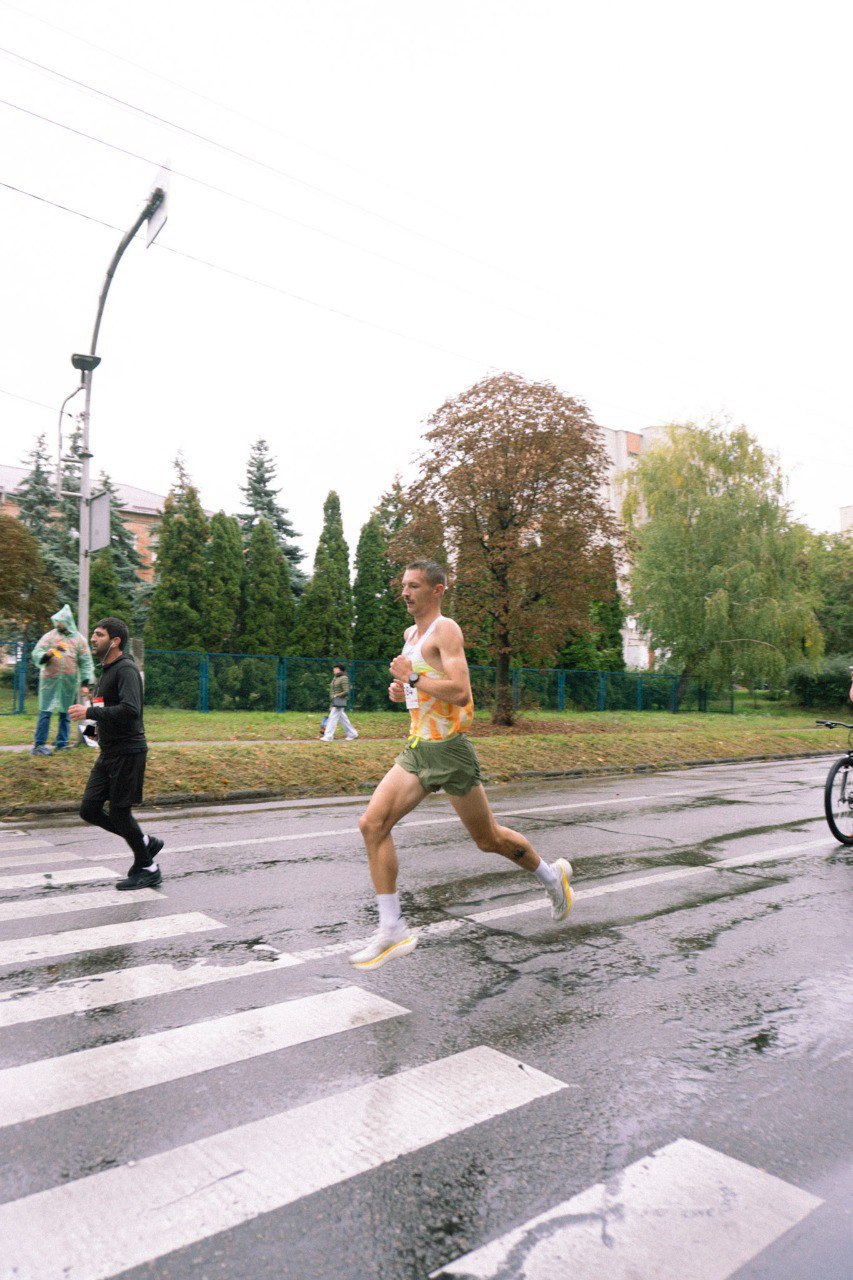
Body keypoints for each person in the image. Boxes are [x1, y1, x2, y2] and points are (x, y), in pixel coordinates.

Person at [350, 559, 573, 970]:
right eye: (404, 585)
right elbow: (424, 688)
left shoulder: (446, 629)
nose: (405, 592)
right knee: (372, 825)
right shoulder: (410, 636)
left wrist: (413, 679)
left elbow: (460, 692)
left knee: (488, 839)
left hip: (450, 751)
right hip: (419, 749)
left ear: (437, 590)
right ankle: (391, 929)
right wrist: (403, 691)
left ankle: (550, 875)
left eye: (414, 585)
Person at [68, 617, 164, 891]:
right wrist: (91, 732)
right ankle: (144, 842)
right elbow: (104, 711)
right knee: (89, 810)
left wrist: (89, 711)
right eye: (94, 633)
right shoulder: (107, 671)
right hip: (109, 752)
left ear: (115, 641)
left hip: (128, 751)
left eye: (99, 634)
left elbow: (131, 710)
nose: (93, 638)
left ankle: (148, 868)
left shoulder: (126, 670)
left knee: (120, 813)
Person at [29, 605, 94, 755]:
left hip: (68, 681)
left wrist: (85, 683)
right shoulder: (50, 637)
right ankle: (39, 745)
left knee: (65, 712)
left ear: (67, 621)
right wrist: (48, 654)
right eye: (57, 621)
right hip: (49, 680)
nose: (57, 624)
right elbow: (36, 653)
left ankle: (62, 743)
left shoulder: (79, 640)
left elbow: (86, 662)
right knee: (45, 711)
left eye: (60, 621)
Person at [322, 662, 359, 741]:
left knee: (332, 718)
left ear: (340, 670)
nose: (334, 670)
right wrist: (332, 704)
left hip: (340, 701)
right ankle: (352, 733)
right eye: (334, 668)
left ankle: (328, 736)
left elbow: (346, 691)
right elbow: (333, 692)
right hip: (335, 701)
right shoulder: (335, 678)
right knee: (343, 719)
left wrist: (337, 696)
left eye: (336, 668)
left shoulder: (344, 678)